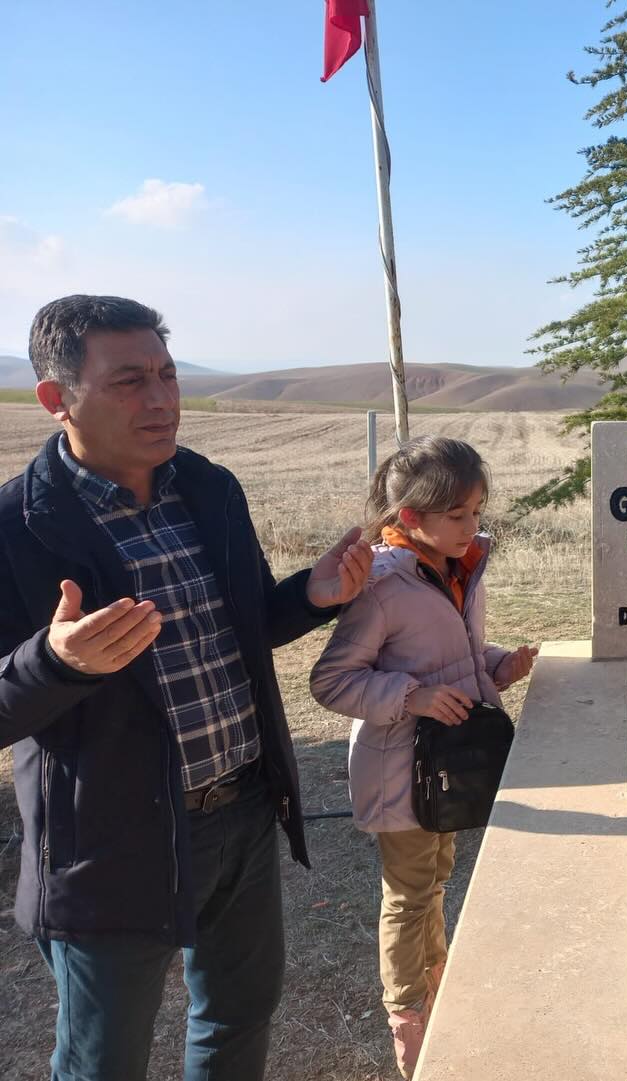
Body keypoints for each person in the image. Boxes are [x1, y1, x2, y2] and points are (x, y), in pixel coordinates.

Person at [0, 294, 373, 1080]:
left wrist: (312, 596)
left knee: (239, 1016)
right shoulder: (15, 529)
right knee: (103, 1063)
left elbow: (242, 624)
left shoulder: (208, 488)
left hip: (243, 811)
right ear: (56, 397)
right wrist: (56, 661)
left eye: (167, 374)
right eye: (129, 380)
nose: (162, 398)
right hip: (109, 847)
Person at [310, 435, 537, 1078]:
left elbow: (453, 654)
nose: (471, 526)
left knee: (435, 878)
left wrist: (499, 665)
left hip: (445, 769)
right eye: (457, 514)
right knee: (410, 895)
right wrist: (414, 696)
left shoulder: (458, 566)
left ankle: (437, 986)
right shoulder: (383, 585)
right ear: (410, 517)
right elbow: (332, 681)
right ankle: (410, 1023)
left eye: (477, 511)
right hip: (400, 771)